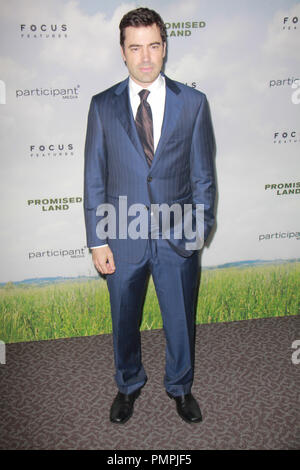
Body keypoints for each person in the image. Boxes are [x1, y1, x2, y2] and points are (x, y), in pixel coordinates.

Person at [84, 7, 216, 424]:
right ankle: (128, 384)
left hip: (178, 237)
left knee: (180, 321)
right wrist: (97, 239)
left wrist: (198, 232)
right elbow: (94, 176)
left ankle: (180, 387)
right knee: (124, 320)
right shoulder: (101, 106)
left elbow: (203, 176)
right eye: (135, 47)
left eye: (153, 46)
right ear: (122, 52)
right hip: (121, 238)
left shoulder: (193, 103)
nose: (145, 57)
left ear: (164, 48)